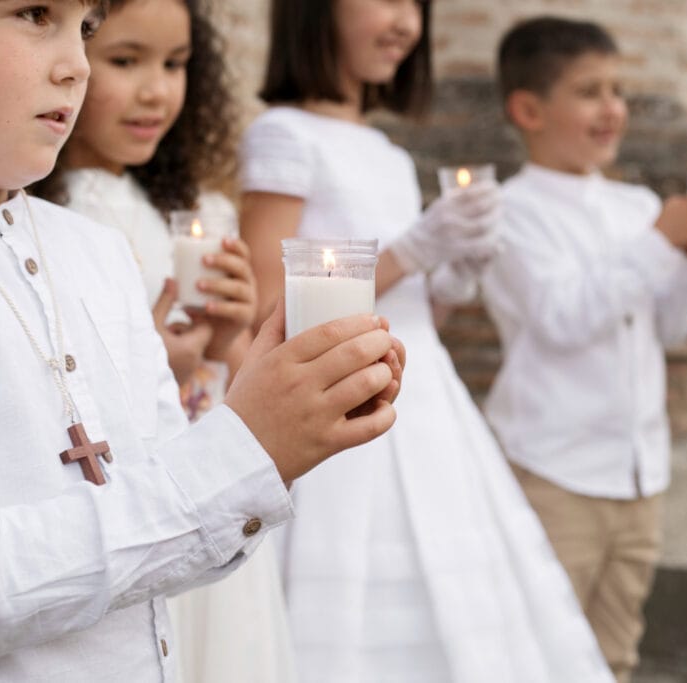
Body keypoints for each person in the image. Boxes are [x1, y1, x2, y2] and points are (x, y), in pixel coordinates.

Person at [0, 1, 404, 680]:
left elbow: (169, 548)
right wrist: (245, 449)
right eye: (35, 14)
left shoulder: (94, 250)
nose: (77, 66)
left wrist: (274, 433)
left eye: (87, 29)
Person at [239, 1, 613, 681]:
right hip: (342, 422)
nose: (405, 23)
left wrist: (454, 274)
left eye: (415, 4)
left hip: (425, 402)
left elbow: (409, 317)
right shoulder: (283, 135)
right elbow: (271, 312)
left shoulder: (387, 151)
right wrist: (414, 249)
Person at [31, 0, 296, 680]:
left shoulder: (201, 213)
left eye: (176, 65)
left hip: (212, 487)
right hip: (129, 510)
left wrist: (229, 335)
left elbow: (225, 377)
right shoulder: (46, 216)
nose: (157, 90)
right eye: (125, 61)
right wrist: (152, 357)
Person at [479, 16, 687, 683]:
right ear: (528, 109)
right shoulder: (510, 211)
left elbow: (672, 327)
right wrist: (663, 241)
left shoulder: (637, 205)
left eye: (618, 89)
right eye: (590, 91)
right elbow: (563, 316)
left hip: (638, 472)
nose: (614, 108)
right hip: (553, 470)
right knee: (537, 649)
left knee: (614, 655)